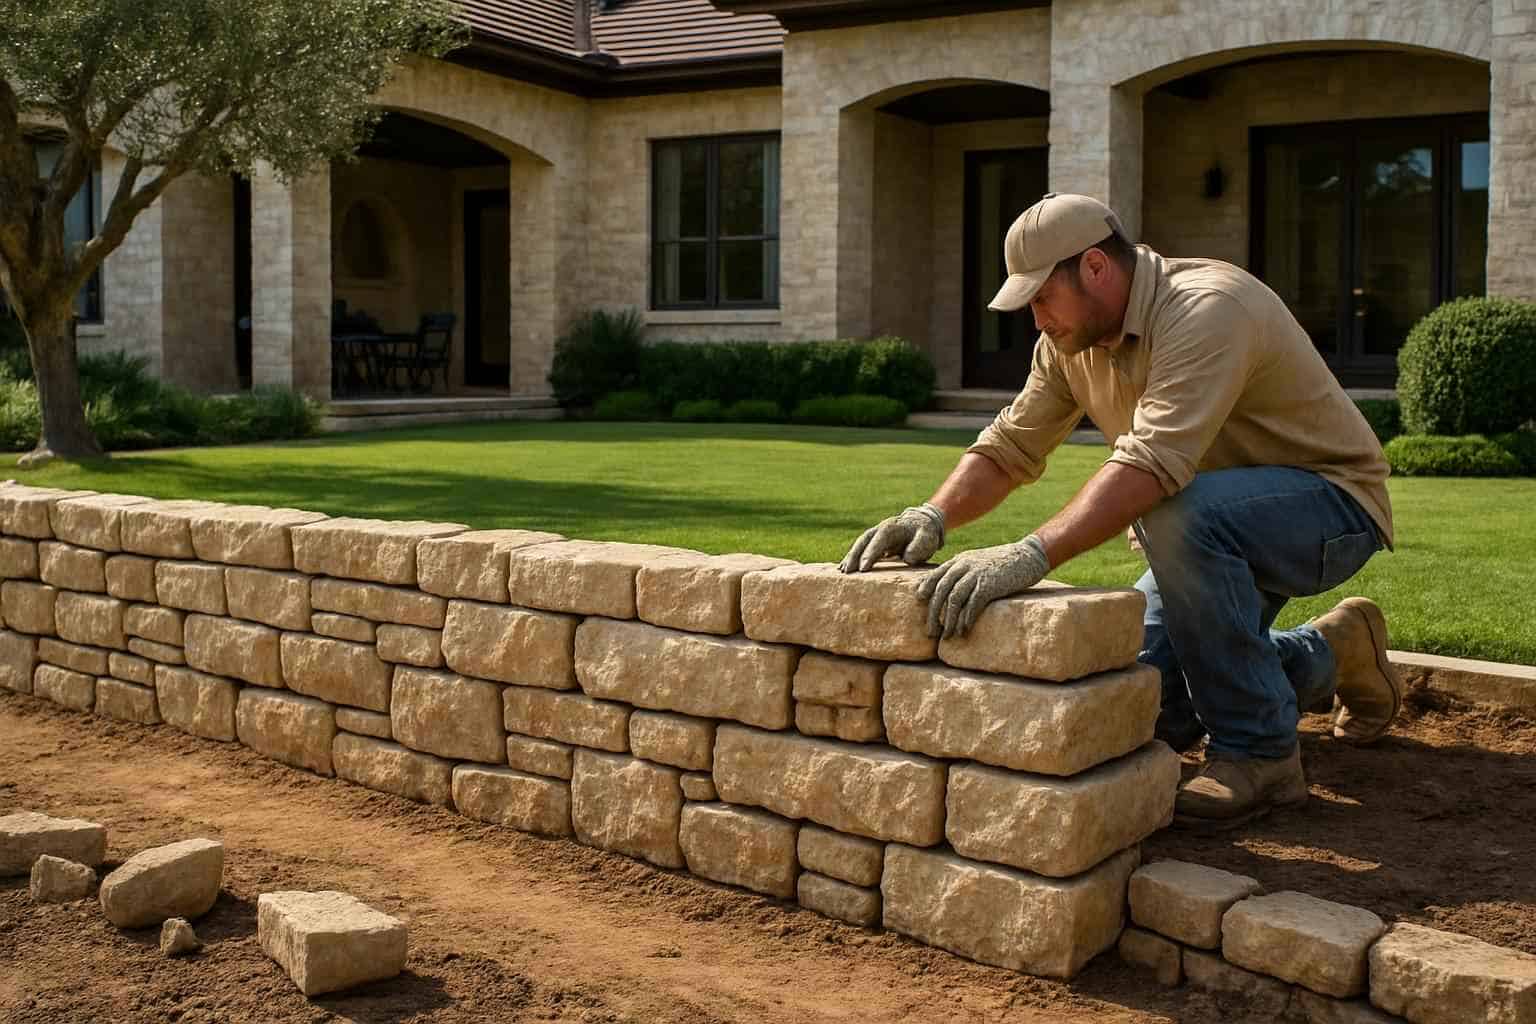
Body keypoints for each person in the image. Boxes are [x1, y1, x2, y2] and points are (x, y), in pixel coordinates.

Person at [839, 193, 1402, 829]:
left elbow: (1151, 467)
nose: (1037, 319)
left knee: (1177, 515)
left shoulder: (1208, 309)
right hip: (1202, 528)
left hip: (1330, 507)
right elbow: (1011, 444)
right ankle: (1335, 651)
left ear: (1096, 268)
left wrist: (1030, 554)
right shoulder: (1067, 343)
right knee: (1142, 707)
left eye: (1042, 298)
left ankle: (1260, 755)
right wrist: (931, 515)